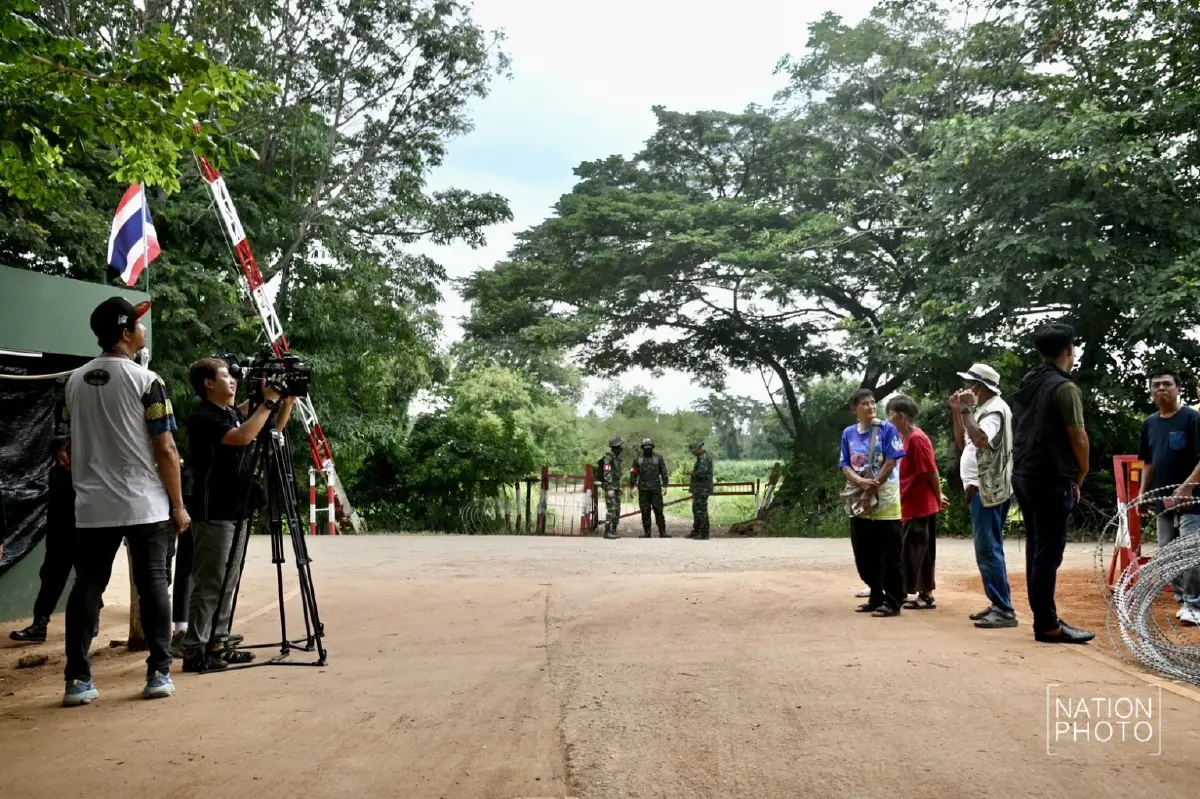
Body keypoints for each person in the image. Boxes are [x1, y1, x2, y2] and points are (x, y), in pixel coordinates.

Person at [61, 297, 189, 707]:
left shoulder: (74, 381)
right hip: (143, 503)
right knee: (153, 583)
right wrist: (179, 504)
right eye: (139, 324)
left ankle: (77, 681)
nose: (144, 330)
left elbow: (63, 446)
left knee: (87, 586)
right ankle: (159, 671)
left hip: (93, 506)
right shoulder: (147, 381)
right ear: (125, 332)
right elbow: (166, 448)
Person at [179, 358, 293, 672]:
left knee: (228, 580)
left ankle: (217, 642)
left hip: (237, 506)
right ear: (208, 384)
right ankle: (195, 650)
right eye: (225, 375)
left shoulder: (228, 413)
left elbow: (262, 432)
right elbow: (243, 436)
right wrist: (269, 399)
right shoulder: (204, 417)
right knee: (210, 581)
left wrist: (285, 401)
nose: (233, 379)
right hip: (213, 509)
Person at [1011, 323, 1094, 644]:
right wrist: (1081, 473)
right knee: (1049, 553)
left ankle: (1044, 618)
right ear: (1069, 351)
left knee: (1037, 548)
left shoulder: (1029, 383)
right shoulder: (1064, 388)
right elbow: (1079, 436)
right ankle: (1047, 624)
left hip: (1024, 474)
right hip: (1051, 476)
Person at [9, 434, 102, 643]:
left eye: (67, 457)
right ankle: (39, 626)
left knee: (89, 582)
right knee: (50, 581)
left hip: (84, 536)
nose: (64, 462)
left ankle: (92, 621)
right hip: (60, 539)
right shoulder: (56, 475)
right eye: (60, 459)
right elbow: (55, 512)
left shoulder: (88, 476)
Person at [950, 363, 1018, 630]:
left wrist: (966, 410)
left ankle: (1003, 608)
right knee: (989, 548)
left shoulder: (994, 411)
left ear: (980, 387)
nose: (966, 388)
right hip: (981, 489)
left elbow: (980, 440)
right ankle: (998, 603)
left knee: (988, 549)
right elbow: (961, 442)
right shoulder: (982, 410)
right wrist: (959, 412)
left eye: (970, 384)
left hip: (987, 490)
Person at [1136, 370, 1200, 626]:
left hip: (1194, 500)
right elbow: (1148, 462)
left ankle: (1195, 603)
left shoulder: (1193, 419)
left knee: (1191, 551)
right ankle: (1182, 599)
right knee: (1168, 553)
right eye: (1155, 385)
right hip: (1163, 498)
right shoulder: (1150, 423)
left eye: (1167, 384)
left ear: (1179, 389)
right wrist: (1143, 493)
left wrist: (1187, 487)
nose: (1161, 389)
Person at [840, 388, 906, 617]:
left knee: (889, 553)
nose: (870, 407)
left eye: (873, 402)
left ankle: (894, 600)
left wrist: (872, 487)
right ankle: (876, 594)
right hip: (859, 498)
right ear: (854, 409)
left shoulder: (887, 429)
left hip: (885, 499)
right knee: (864, 551)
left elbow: (891, 461)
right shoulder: (848, 433)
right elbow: (845, 464)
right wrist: (859, 482)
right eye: (864, 404)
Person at [885, 395, 946, 609]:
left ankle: (925, 595)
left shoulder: (917, 439)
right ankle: (907, 591)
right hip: (908, 503)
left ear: (901, 416)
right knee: (910, 551)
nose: (888, 420)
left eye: (890, 415)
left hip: (920, 505)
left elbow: (930, 471)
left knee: (918, 552)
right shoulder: (903, 439)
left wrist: (938, 496)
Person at [630, 437, 669, 538]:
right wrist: (632, 486)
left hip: (655, 489)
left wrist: (665, 485)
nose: (648, 448)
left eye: (649, 447)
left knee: (659, 511)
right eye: (645, 447)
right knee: (645, 512)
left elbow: (664, 472)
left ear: (652, 447)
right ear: (642, 448)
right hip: (643, 490)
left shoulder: (658, 458)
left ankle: (662, 532)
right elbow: (633, 473)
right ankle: (647, 533)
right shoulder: (638, 459)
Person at [598, 437, 625, 540]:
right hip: (610, 487)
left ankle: (614, 530)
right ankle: (607, 531)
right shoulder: (608, 458)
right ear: (616, 447)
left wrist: (619, 487)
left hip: (616, 487)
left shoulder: (617, 459)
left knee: (617, 509)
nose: (622, 448)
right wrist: (609, 488)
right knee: (611, 509)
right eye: (620, 446)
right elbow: (607, 473)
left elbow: (616, 475)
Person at [686, 440, 714, 540]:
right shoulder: (701, 458)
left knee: (701, 510)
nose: (693, 453)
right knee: (696, 509)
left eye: (693, 451)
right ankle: (696, 531)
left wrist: (691, 473)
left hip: (703, 489)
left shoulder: (704, 458)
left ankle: (704, 533)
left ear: (697, 449)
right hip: (699, 488)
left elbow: (701, 473)